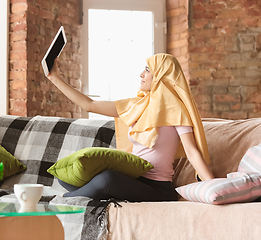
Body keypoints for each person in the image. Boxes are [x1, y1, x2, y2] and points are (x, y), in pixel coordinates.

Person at [46, 53, 214, 202]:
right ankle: (98, 195)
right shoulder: (137, 105)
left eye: (147, 70)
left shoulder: (176, 111)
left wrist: (214, 187)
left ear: (161, 76)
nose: (141, 74)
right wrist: (55, 78)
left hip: (157, 188)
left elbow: (192, 152)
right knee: (65, 176)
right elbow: (90, 105)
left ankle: (66, 199)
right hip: (132, 178)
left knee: (108, 179)